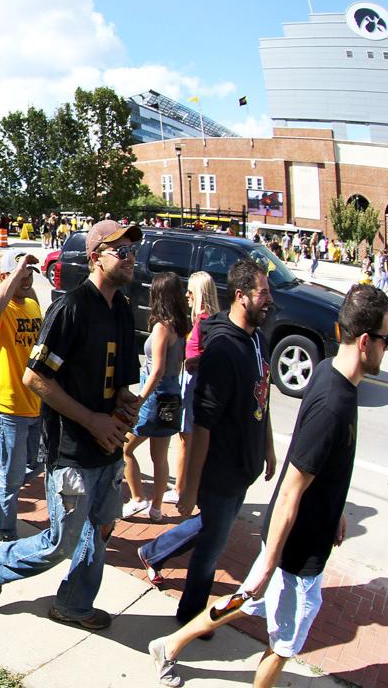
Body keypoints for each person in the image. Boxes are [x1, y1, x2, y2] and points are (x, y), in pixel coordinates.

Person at [149, 284, 388, 688]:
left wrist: (337, 510)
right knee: (284, 643)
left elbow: (324, 465)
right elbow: (293, 489)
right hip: (297, 551)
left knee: (248, 600)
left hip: (304, 536)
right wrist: (270, 560)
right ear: (366, 341)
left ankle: (170, 644)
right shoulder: (333, 404)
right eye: (386, 338)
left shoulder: (335, 377)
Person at [0, 220, 143, 632]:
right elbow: (36, 379)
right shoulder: (70, 308)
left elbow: (118, 378)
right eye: (120, 251)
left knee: (100, 527)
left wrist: (124, 402)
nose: (130, 258)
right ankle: (0, 560)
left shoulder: (122, 308)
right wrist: (92, 419)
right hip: (70, 447)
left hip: (107, 445)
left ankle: (73, 602)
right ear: (95, 257)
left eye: (132, 251)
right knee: (61, 541)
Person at [138, 258, 277, 626]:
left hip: (246, 466)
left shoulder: (258, 340)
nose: (269, 300)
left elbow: (262, 395)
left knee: (213, 528)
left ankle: (153, 551)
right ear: (241, 296)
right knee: (212, 547)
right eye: (263, 293)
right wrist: (189, 486)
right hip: (221, 469)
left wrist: (269, 447)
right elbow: (202, 425)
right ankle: (191, 616)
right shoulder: (223, 350)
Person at [0, 251, 44, 541]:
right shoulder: (0, 312)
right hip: (8, 406)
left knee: (38, 462)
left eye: (29, 275)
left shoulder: (31, 305)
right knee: (12, 477)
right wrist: (15, 276)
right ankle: (4, 532)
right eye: (21, 274)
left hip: (37, 403)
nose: (27, 280)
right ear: (6, 277)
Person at [121, 272, 189, 522]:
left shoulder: (162, 327)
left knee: (123, 448)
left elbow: (156, 369)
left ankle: (137, 498)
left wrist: (140, 399)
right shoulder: (180, 326)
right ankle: (157, 508)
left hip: (155, 396)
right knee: (159, 456)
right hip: (172, 396)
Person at [164, 272, 221, 507]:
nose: (186, 295)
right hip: (193, 381)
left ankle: (181, 487)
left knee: (186, 437)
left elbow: (210, 356)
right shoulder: (206, 319)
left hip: (195, 382)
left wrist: (191, 361)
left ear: (200, 293)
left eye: (191, 290)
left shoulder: (205, 321)